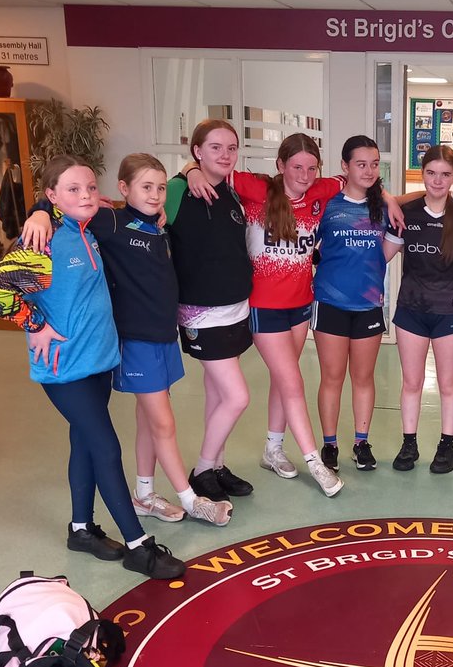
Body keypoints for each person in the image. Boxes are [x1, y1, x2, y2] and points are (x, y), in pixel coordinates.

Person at [0, 155, 185, 580]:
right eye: (73, 189)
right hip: (64, 368)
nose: (86, 195)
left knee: (85, 442)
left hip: (97, 360)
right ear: (52, 196)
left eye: (90, 187)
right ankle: (137, 545)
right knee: (106, 446)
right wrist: (32, 322)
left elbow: (120, 209)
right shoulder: (43, 239)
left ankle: (81, 529)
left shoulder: (88, 226)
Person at [23, 154, 233, 528]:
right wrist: (40, 211)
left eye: (160, 188)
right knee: (164, 424)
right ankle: (191, 498)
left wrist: (191, 169)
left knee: (148, 420)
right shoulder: (110, 222)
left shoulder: (158, 226)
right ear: (123, 189)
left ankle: (145, 493)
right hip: (136, 343)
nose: (154, 195)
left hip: (163, 337)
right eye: (145, 187)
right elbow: (66, 205)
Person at [186, 133, 344, 498]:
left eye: (311, 167)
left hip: (300, 304)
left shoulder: (320, 191)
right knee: (292, 382)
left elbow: (356, 181)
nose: (304, 175)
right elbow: (207, 168)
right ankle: (314, 461)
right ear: (280, 166)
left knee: (282, 378)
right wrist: (191, 170)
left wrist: (385, 196)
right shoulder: (255, 189)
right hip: (264, 307)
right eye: (296, 167)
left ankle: (273, 450)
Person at [166, 120, 254, 505]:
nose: (225, 155)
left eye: (231, 148)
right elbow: (140, 214)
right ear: (197, 151)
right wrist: (188, 172)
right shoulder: (177, 190)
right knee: (237, 396)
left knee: (218, 392)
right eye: (215, 147)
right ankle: (202, 468)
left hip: (235, 307)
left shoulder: (232, 195)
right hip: (201, 312)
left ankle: (218, 464)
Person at [311, 135, 403, 471]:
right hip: (330, 303)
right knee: (332, 377)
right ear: (345, 167)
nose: (368, 170)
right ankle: (330, 445)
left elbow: (385, 255)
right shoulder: (328, 205)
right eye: (361, 164)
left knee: (363, 378)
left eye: (374, 164)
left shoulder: (384, 208)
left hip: (368, 306)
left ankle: (361, 443)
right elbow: (309, 247)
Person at [392, 144, 453, 474]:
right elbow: (384, 253)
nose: (437, 181)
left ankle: (446, 447)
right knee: (412, 382)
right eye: (431, 173)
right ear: (421, 174)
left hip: (450, 311)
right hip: (411, 308)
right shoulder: (406, 214)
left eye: (445, 174)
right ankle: (409, 443)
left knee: (449, 383)